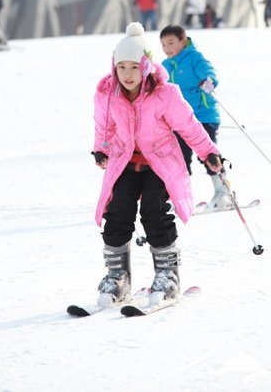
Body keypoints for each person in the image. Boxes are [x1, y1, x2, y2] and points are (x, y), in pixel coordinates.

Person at [91, 22, 223, 306]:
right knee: (117, 212)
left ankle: (167, 276)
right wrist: (100, 150)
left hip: (160, 163)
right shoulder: (108, 93)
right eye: (121, 67)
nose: (127, 74)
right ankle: (117, 277)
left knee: (154, 210)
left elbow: (189, 126)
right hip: (125, 160)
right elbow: (103, 127)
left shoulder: (165, 94)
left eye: (134, 67)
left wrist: (208, 152)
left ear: (146, 66)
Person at [160, 24, 232, 211]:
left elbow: (209, 73)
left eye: (171, 43)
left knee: (207, 154)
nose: (167, 49)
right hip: (179, 121)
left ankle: (223, 191)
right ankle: (181, 197)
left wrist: (207, 81)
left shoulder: (194, 58)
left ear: (183, 41)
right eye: (163, 45)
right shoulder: (165, 66)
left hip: (203, 115)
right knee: (180, 159)